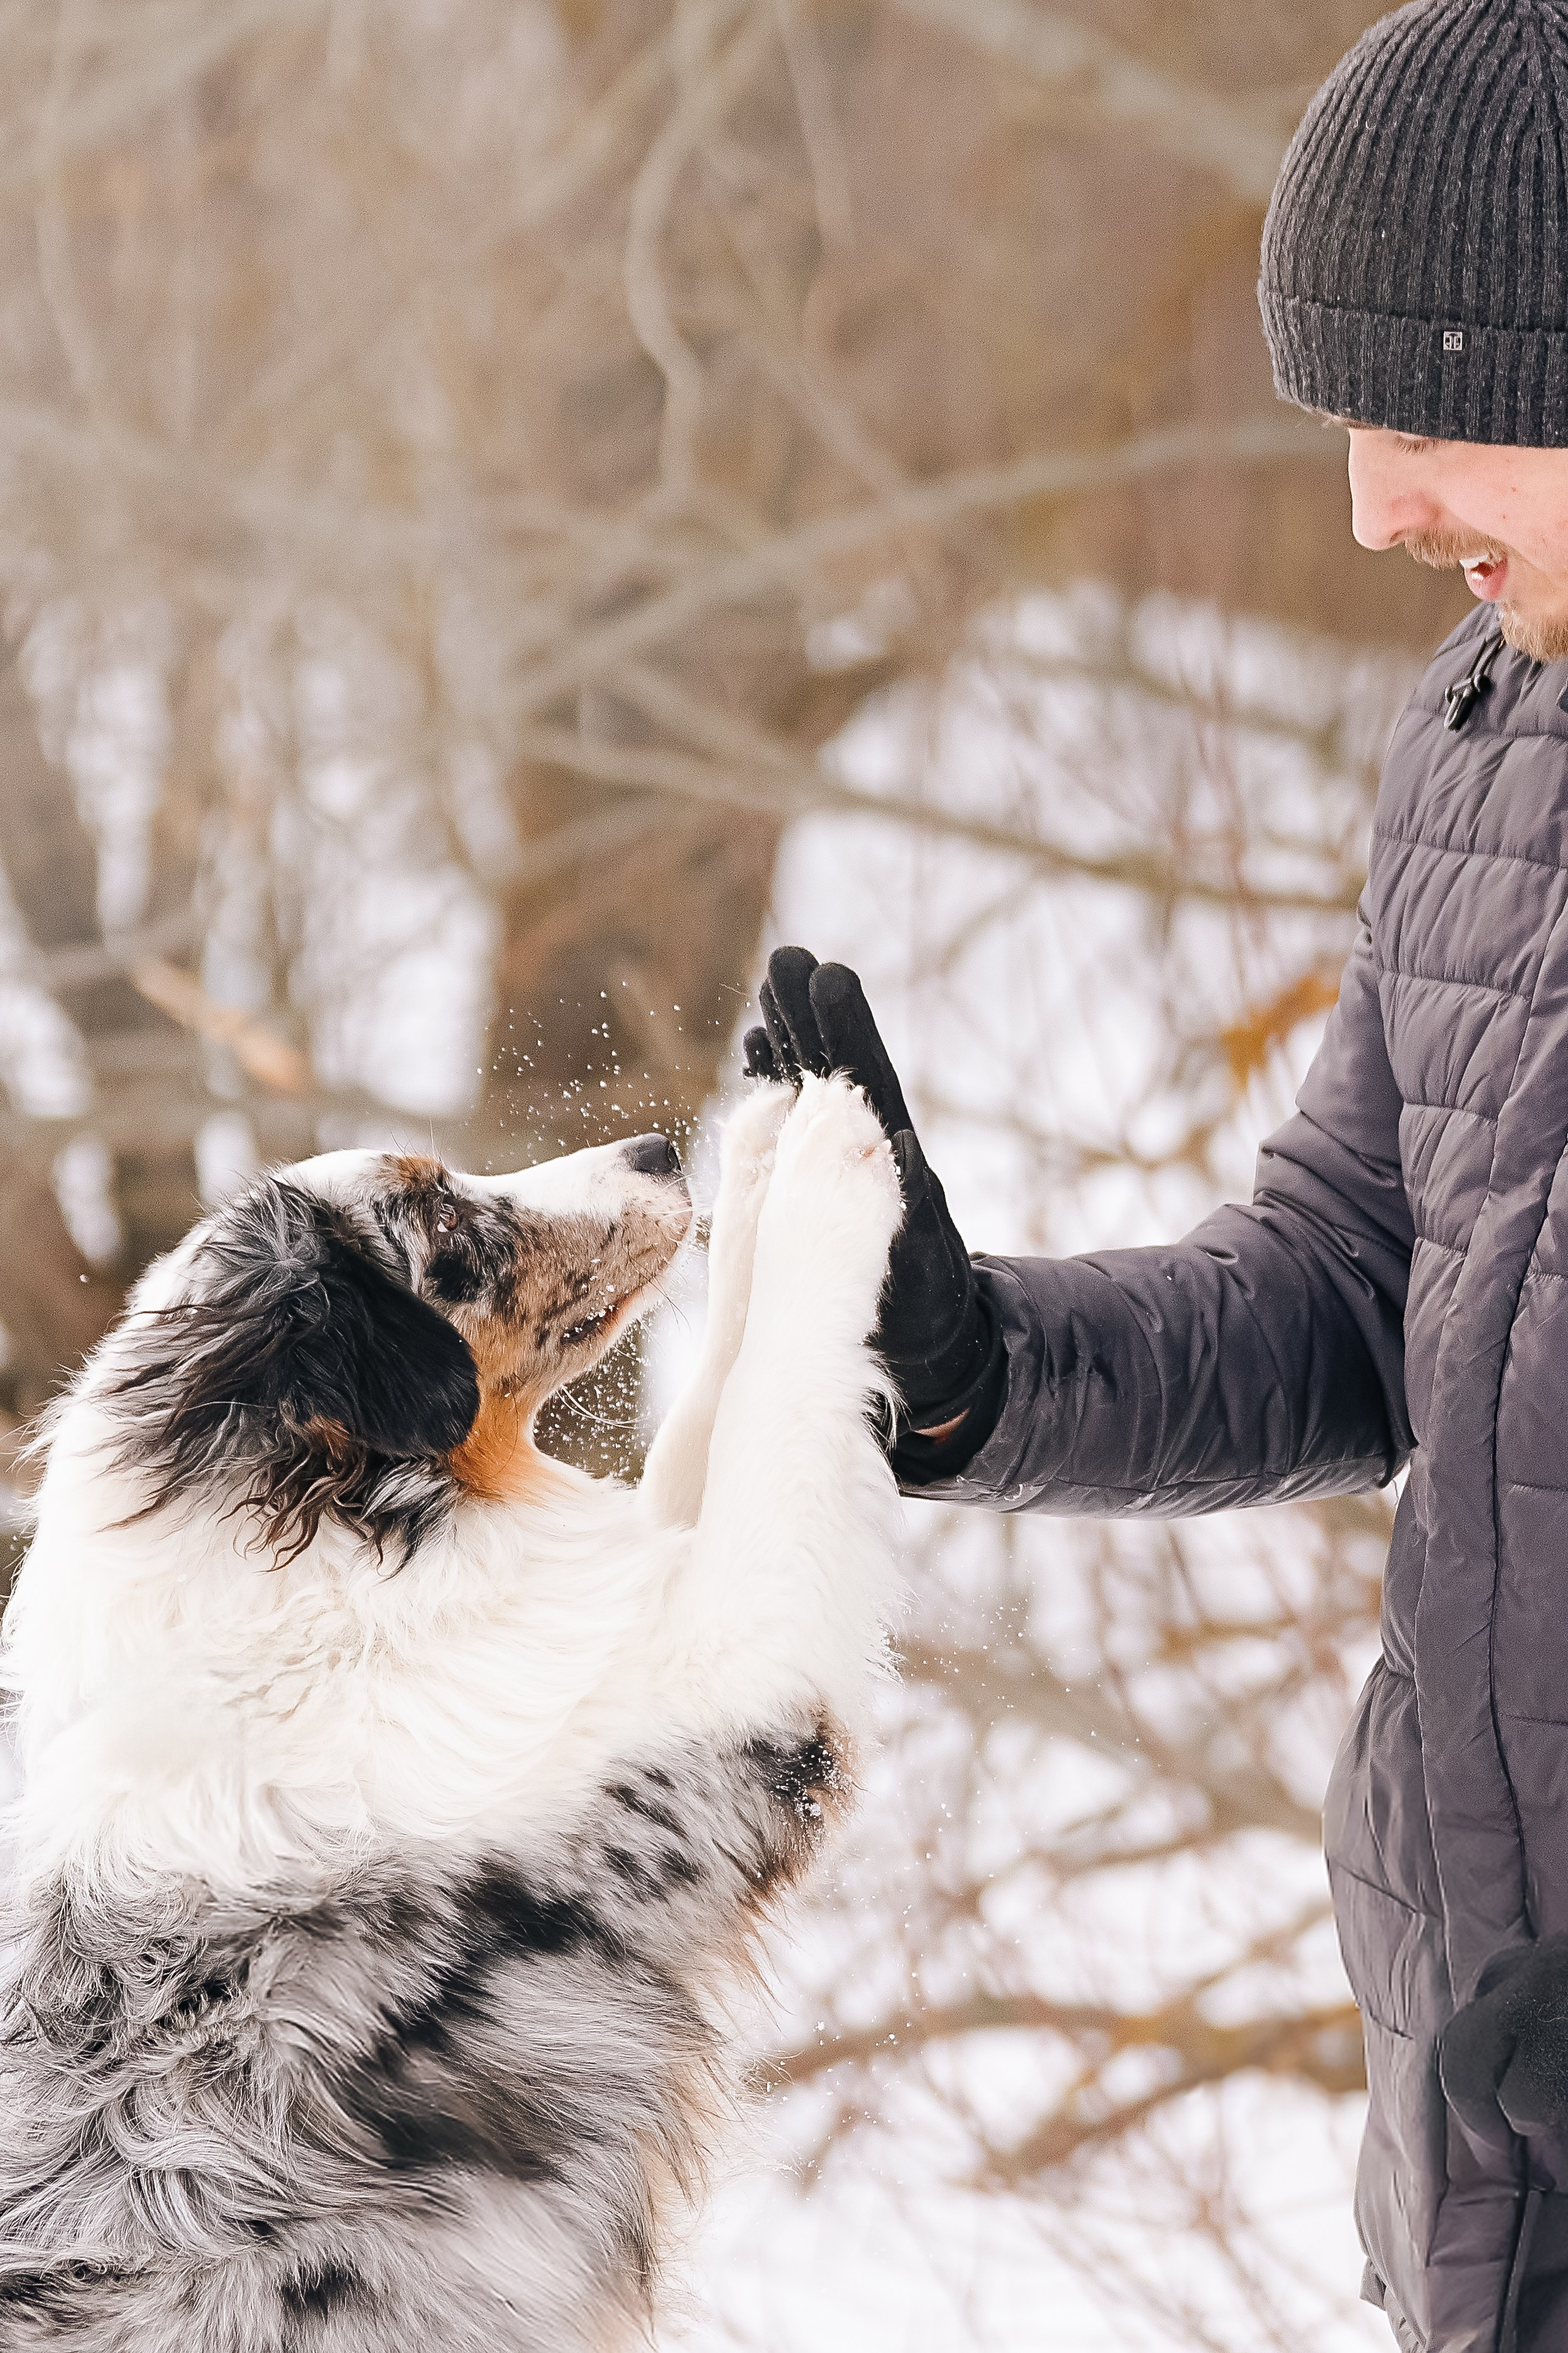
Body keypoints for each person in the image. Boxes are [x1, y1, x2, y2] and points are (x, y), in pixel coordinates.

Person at [743, 5, 1568, 2347]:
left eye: (1420, 416)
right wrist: (976, 1360)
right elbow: (1347, 1280)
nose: (1371, 509)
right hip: (1488, 2073)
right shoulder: (1482, 748)